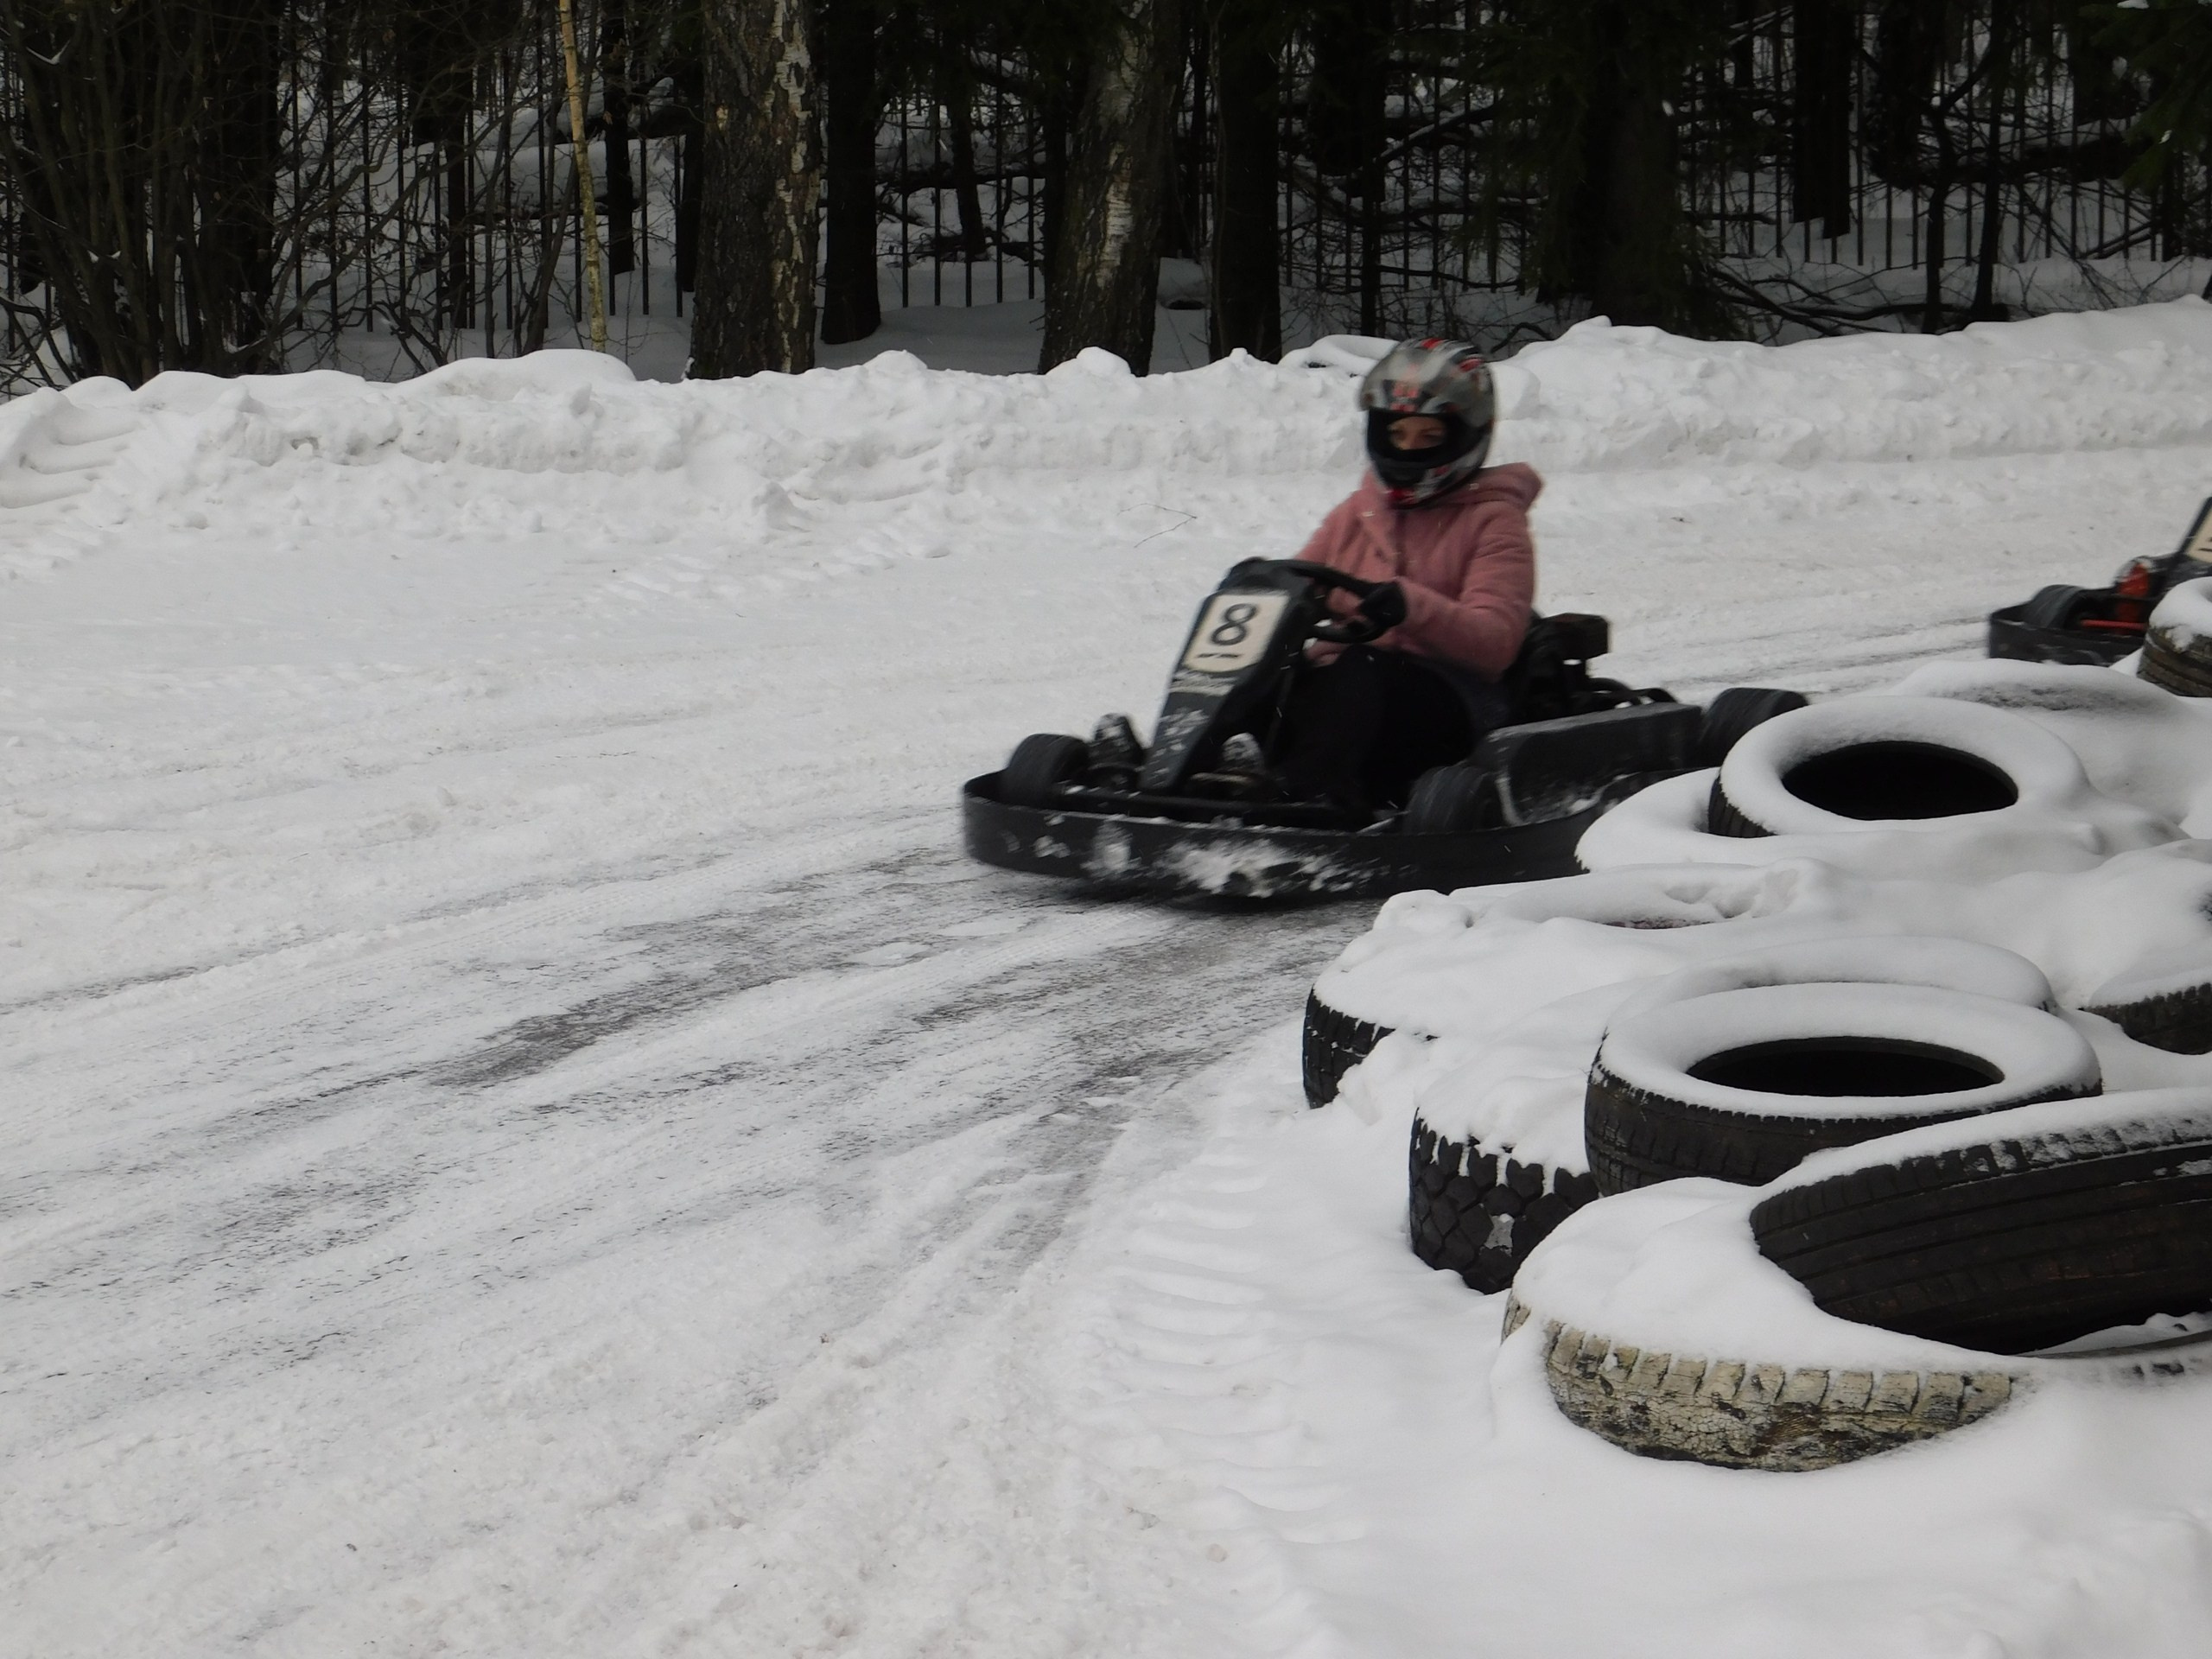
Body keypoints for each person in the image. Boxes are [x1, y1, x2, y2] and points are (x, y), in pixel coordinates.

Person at [1242, 337, 1541, 812]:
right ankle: (1193, 768)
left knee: (1361, 670)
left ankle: (1307, 796)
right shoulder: (1358, 512)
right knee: (1273, 675)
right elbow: (1305, 580)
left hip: (1451, 703)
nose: (1409, 448)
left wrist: (1410, 606)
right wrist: (1265, 584)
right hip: (1353, 693)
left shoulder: (1494, 521)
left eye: (1428, 437)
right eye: (1398, 433)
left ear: (1466, 435)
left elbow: (1496, 644)